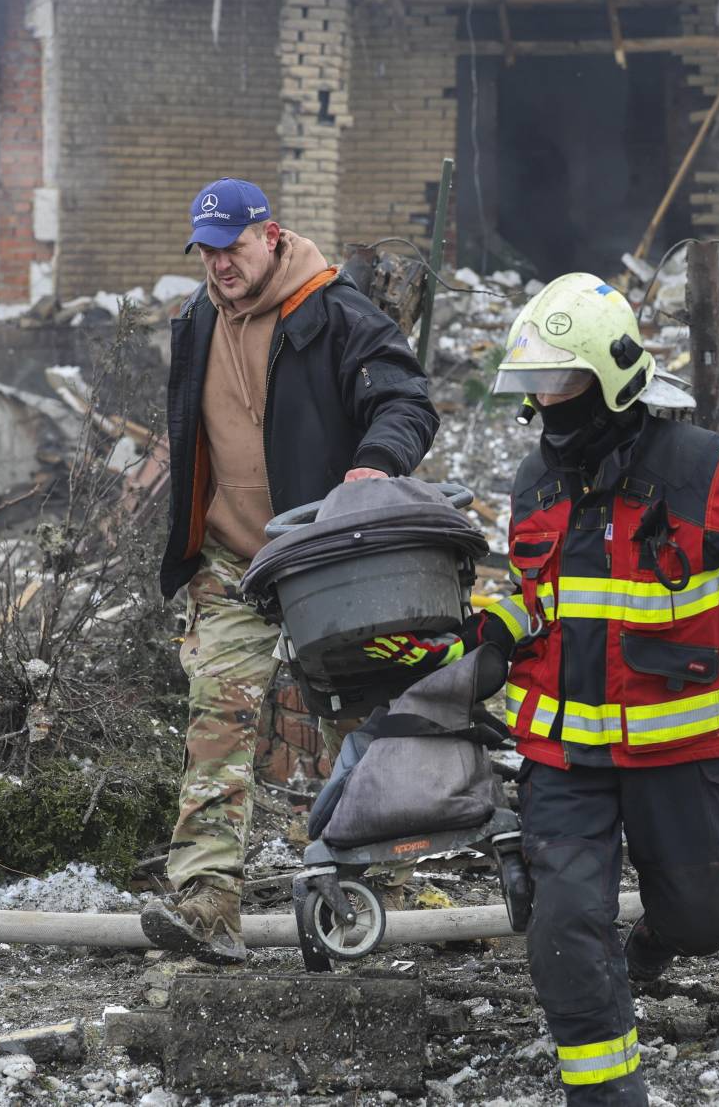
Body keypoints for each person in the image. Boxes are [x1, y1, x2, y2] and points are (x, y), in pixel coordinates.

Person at [366, 273, 719, 1105]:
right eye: (535, 385)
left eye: (561, 383)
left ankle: (653, 944)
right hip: (563, 760)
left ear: (613, 379)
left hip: (681, 750)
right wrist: (479, 639)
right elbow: (537, 600)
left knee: (707, 919)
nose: (545, 404)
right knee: (563, 929)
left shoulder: (701, 471)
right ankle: (605, 1090)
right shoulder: (534, 483)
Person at [144, 177, 439, 963]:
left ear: (269, 234)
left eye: (231, 247)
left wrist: (376, 466)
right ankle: (207, 901)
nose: (218, 266)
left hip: (325, 562)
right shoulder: (197, 320)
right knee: (218, 715)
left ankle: (380, 900)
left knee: (357, 724)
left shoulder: (335, 312)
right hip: (232, 559)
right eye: (204, 252)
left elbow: (406, 401)